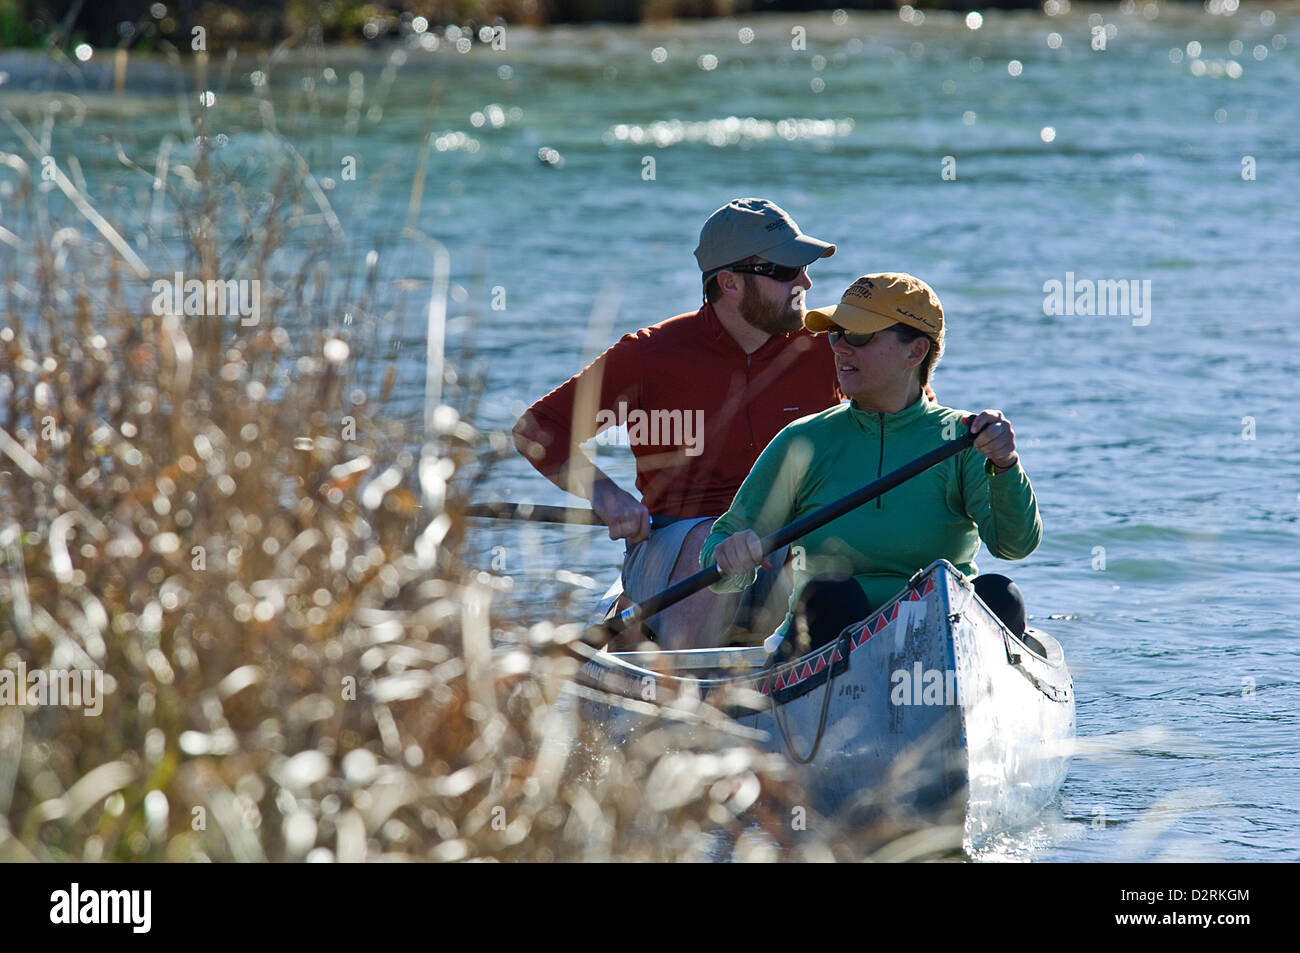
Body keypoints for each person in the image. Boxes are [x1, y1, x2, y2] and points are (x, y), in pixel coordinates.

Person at [512, 198, 840, 648]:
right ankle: (679, 688)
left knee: (846, 538)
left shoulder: (829, 349)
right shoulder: (650, 356)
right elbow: (537, 429)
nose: (805, 280)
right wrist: (606, 495)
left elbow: (911, 417)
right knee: (712, 539)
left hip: (788, 543)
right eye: (785, 271)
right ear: (730, 283)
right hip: (677, 547)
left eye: (804, 267)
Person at [701, 273, 1041, 659]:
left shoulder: (961, 438)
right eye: (835, 334)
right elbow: (721, 562)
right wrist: (728, 557)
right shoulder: (803, 440)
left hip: (937, 637)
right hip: (829, 635)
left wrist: (1005, 463)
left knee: (1001, 594)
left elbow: (1015, 546)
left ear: (914, 352)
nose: (840, 348)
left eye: (858, 336)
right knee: (832, 594)